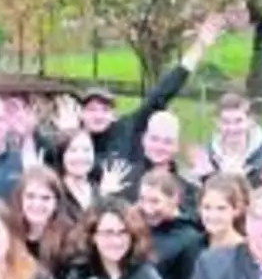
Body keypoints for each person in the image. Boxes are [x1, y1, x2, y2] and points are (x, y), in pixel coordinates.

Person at [82, 15, 226, 170]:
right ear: (81, 113)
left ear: (113, 115)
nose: (98, 116)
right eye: (91, 109)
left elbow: (162, 94)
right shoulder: (70, 144)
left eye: (104, 110)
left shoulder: (127, 127)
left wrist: (199, 46)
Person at [190, 92, 262, 184]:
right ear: (216, 122)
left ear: (250, 121)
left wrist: (240, 181)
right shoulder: (206, 159)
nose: (232, 128)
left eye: (238, 121)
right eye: (225, 122)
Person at [125, 111, 201, 213]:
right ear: (144, 140)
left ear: (177, 146)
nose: (159, 147)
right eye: (154, 139)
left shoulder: (189, 191)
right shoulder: (124, 180)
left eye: (167, 142)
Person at [198, 173, 250, 249]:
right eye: (207, 207)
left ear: (236, 210)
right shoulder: (191, 246)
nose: (213, 215)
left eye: (221, 208)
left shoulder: (245, 250)